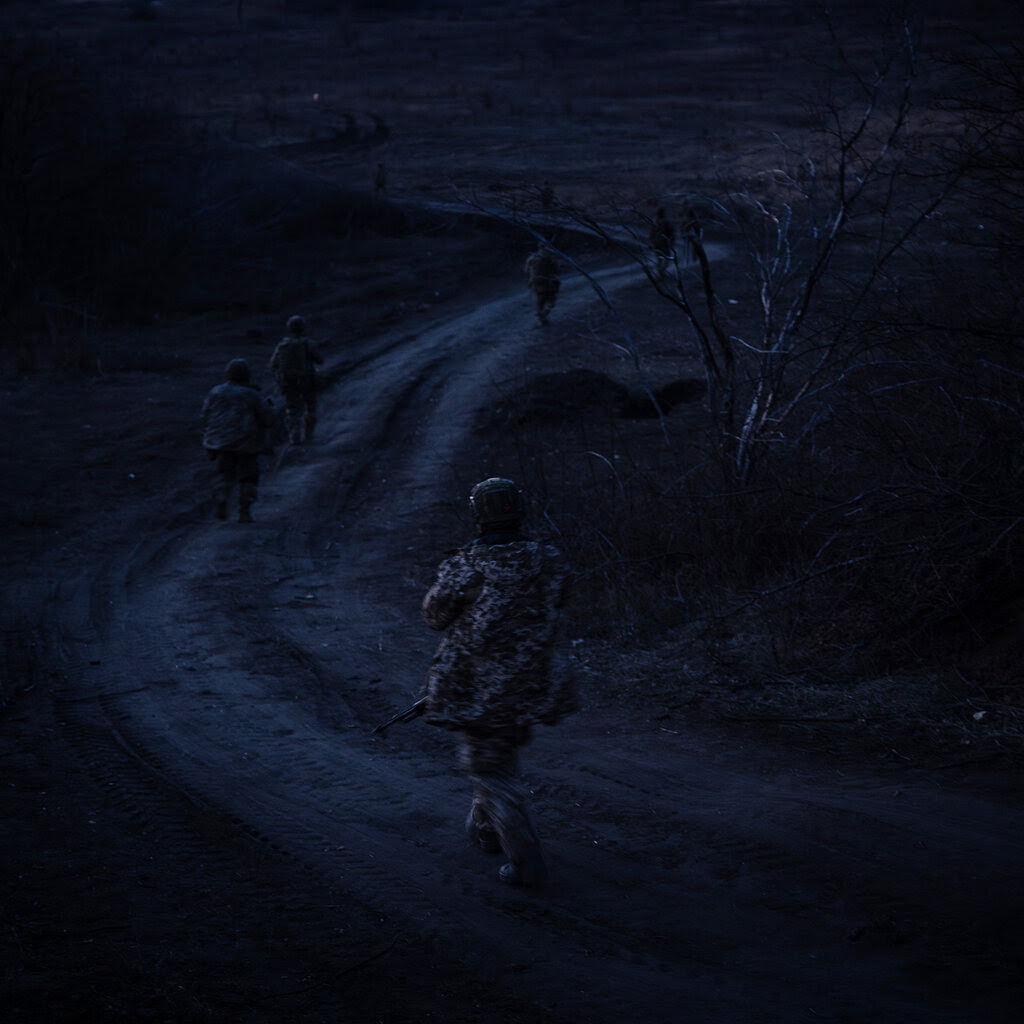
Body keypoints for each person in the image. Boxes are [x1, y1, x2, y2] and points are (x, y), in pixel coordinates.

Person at [420, 477, 573, 888]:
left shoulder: (465, 565)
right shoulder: (550, 559)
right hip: (534, 686)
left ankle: (525, 861)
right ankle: (485, 830)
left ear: (478, 519)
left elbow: (434, 617)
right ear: (520, 511)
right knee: (493, 761)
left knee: (490, 774)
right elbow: (559, 602)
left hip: (476, 690)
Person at [200, 358, 275, 523]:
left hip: (220, 442)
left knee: (224, 473)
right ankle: (245, 511)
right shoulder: (252, 394)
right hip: (247, 443)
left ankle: (222, 497)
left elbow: (204, 415)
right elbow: (268, 418)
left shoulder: (215, 392)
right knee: (248, 476)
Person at [269, 315, 323, 444]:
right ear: (303, 327)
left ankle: (295, 437)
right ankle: (308, 435)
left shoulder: (282, 345)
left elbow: (273, 363)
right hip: (307, 380)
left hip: (289, 382)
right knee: (310, 407)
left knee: (292, 409)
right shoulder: (308, 343)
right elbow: (320, 360)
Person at [524, 242, 561, 326]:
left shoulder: (531, 258)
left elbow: (526, 271)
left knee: (540, 300)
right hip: (548, 282)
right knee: (551, 301)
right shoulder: (550, 257)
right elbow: (557, 270)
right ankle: (543, 315)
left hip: (535, 282)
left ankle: (541, 317)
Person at [649, 205, 676, 279]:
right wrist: (672, 241)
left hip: (657, 243)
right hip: (664, 243)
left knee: (660, 259)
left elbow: (651, 234)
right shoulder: (665, 222)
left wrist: (651, 242)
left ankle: (661, 273)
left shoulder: (655, 222)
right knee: (665, 259)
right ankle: (661, 272)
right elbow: (671, 232)